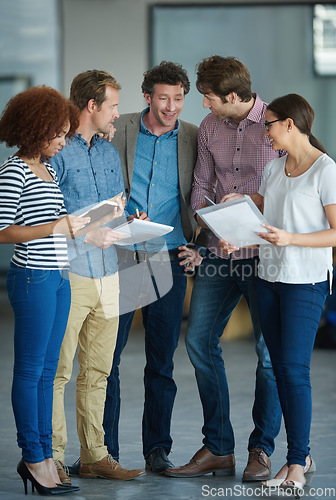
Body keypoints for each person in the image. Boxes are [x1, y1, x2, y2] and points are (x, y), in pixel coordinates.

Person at [164, 56, 282, 481]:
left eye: (209, 98)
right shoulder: (212, 128)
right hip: (218, 253)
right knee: (198, 343)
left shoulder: (276, 127)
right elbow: (201, 186)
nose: (205, 107)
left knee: (269, 356)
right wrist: (210, 225)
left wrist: (248, 226)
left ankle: (261, 450)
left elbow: (289, 191)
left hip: (265, 257)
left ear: (232, 96)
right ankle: (218, 447)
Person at [101, 61, 203, 474]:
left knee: (161, 363)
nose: (171, 106)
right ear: (148, 97)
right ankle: (103, 451)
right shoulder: (119, 127)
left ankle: (157, 449)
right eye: (164, 98)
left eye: (179, 98)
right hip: (123, 256)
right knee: (108, 358)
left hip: (170, 258)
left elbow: (208, 189)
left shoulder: (195, 137)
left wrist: (201, 243)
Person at [50, 70, 145, 483]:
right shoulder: (55, 151)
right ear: (92, 106)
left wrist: (130, 220)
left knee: (99, 371)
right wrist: (91, 232)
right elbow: (44, 216)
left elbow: (113, 207)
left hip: (110, 273)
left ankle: (94, 454)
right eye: (113, 106)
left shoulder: (107, 153)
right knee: (59, 372)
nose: (117, 114)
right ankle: (51, 458)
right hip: (69, 272)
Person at [0, 86, 86, 495]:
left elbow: (53, 222)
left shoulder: (48, 170)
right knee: (31, 370)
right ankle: (32, 456)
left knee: (49, 373)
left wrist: (85, 223)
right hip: (32, 277)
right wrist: (55, 227)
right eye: (58, 133)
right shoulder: (13, 170)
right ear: (37, 129)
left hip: (57, 277)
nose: (63, 141)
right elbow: (2, 231)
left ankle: (46, 454)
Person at [251, 93, 336, 493]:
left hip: (307, 281)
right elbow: (269, 223)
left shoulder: (325, 170)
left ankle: (297, 462)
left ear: (290, 124)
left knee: (295, 371)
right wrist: (240, 234)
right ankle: (296, 457)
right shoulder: (272, 169)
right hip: (268, 278)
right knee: (281, 370)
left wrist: (292, 239)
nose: (264, 131)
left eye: (268, 124)